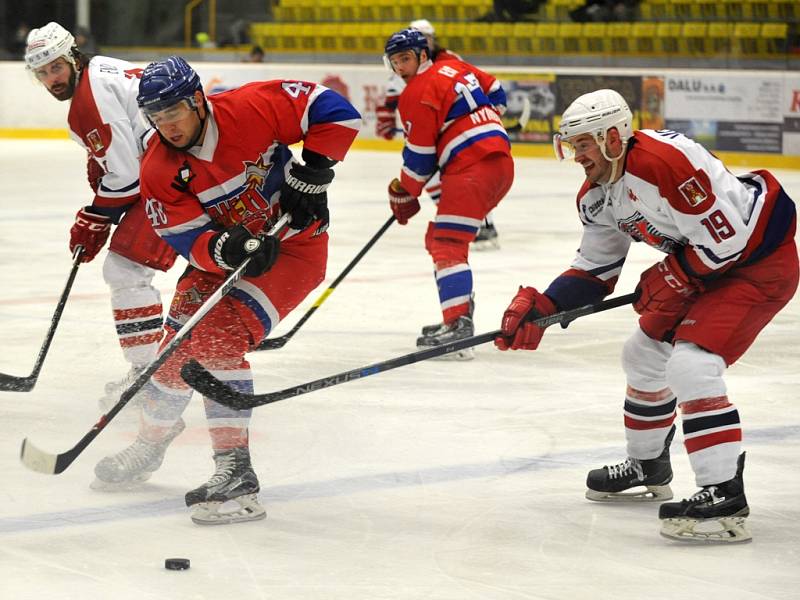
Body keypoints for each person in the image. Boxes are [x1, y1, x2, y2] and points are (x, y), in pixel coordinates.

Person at [495, 89, 797, 543]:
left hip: (757, 265)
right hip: (702, 266)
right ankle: (649, 466)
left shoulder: (667, 162)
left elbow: (728, 243)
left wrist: (671, 274)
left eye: (583, 144)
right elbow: (595, 270)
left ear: (613, 137)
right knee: (642, 356)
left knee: (692, 364)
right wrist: (546, 306)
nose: (577, 155)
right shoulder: (598, 194)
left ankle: (723, 494)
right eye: (572, 145)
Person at [91, 56, 361, 525]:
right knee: (173, 349)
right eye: (155, 116)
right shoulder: (158, 166)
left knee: (216, 339)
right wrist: (225, 248)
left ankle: (235, 472)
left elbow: (334, 109)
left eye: (173, 111)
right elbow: (184, 238)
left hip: (295, 250)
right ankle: (151, 442)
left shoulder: (251, 106)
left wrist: (314, 172)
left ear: (197, 99)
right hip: (224, 263)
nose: (165, 125)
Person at [24, 22, 178, 409]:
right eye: (42, 73)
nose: (51, 80)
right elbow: (128, 161)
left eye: (56, 68)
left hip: (178, 174)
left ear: (73, 57)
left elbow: (126, 179)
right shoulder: (102, 68)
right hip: (173, 163)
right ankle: (152, 369)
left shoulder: (88, 100)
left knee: (125, 270)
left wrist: (94, 217)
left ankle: (148, 377)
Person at [384, 29, 513, 360]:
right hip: (499, 161)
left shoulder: (416, 92)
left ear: (422, 56)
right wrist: (482, 124)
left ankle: (458, 324)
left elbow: (420, 156)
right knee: (445, 236)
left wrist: (404, 193)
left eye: (406, 58)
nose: (401, 67)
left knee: (448, 243)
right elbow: (497, 90)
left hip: (472, 169)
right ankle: (458, 312)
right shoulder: (457, 66)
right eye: (395, 61)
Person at [375, 19, 501, 249]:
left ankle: (481, 223)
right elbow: (391, 100)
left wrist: (408, 188)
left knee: (465, 181)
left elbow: (486, 88)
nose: (400, 65)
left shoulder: (449, 60)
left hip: (450, 140)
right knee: (440, 181)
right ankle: (458, 219)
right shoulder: (402, 67)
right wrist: (385, 121)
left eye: (428, 35)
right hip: (429, 136)